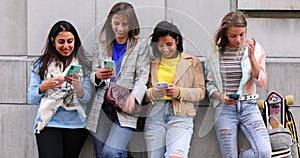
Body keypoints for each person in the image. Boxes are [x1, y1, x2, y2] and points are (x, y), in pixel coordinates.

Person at [85, 2, 150, 158]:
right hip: (103, 106)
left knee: (111, 152)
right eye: (116, 23)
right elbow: (93, 75)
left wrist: (134, 97)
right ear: (110, 22)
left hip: (126, 106)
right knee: (101, 153)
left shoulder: (140, 46)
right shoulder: (100, 45)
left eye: (125, 24)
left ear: (132, 24)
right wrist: (98, 76)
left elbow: (143, 76)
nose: (120, 28)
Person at [205, 11, 272, 157]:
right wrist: (221, 96)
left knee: (265, 152)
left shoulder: (255, 49)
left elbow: (261, 81)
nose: (238, 39)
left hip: (249, 106)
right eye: (233, 35)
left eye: (242, 34)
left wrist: (251, 57)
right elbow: (209, 84)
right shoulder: (214, 53)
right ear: (225, 34)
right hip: (224, 109)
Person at [27, 20, 92, 158]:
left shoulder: (84, 66)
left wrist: (78, 87)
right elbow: (31, 98)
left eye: (70, 41)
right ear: (53, 41)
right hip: (48, 124)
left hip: (76, 126)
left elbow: (86, 98)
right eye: (61, 42)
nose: (66, 46)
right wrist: (44, 86)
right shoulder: (41, 65)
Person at [143, 21, 205, 158]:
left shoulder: (191, 61)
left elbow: (201, 92)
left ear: (177, 40)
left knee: (176, 156)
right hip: (155, 114)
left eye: (169, 44)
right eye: (160, 45)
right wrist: (153, 93)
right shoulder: (152, 63)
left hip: (181, 114)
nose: (165, 49)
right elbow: (143, 93)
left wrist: (180, 92)